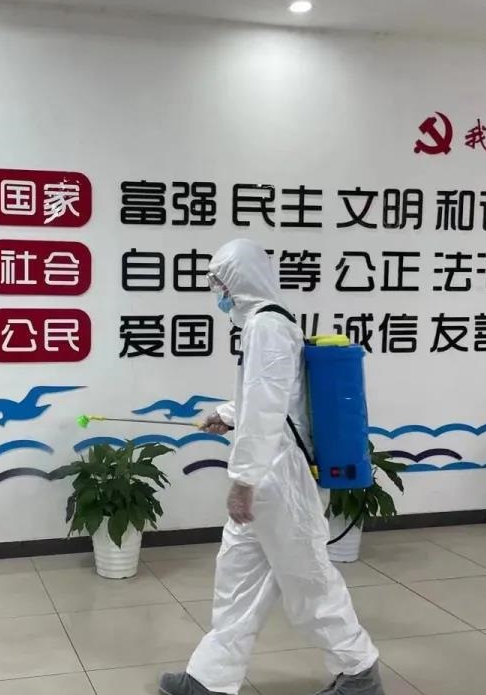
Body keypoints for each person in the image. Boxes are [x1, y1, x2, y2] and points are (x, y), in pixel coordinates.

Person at [159, 239, 384, 695]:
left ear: (238, 280)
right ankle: (209, 678)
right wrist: (226, 414)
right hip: (268, 472)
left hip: (280, 477)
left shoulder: (267, 326)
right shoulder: (264, 325)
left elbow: (267, 406)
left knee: (308, 580)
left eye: (219, 281)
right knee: (237, 578)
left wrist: (243, 480)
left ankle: (359, 671)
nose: (217, 291)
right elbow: (270, 397)